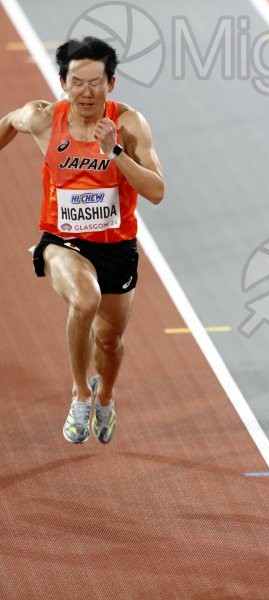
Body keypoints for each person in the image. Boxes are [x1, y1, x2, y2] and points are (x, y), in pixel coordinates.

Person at [0, 37, 165, 443]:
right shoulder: (42, 118)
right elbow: (8, 122)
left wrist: (116, 154)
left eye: (96, 82)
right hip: (62, 240)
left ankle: (104, 396)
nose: (86, 92)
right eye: (77, 82)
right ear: (62, 82)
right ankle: (79, 395)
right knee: (84, 299)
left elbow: (157, 191)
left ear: (111, 82)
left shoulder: (129, 124)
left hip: (116, 248)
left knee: (109, 341)